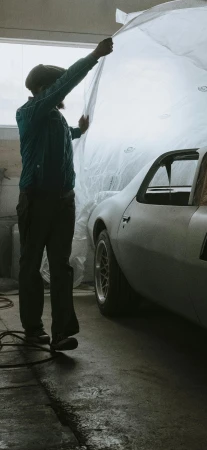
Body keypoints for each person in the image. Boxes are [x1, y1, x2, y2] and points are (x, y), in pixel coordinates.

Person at [16, 38, 114, 352]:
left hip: (62, 202)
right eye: (54, 86)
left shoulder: (54, 118)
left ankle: (61, 333)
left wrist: (78, 132)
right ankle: (33, 329)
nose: (59, 92)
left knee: (61, 266)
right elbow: (65, 84)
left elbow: (59, 135)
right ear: (43, 88)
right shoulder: (29, 112)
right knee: (31, 266)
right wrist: (94, 56)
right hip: (37, 200)